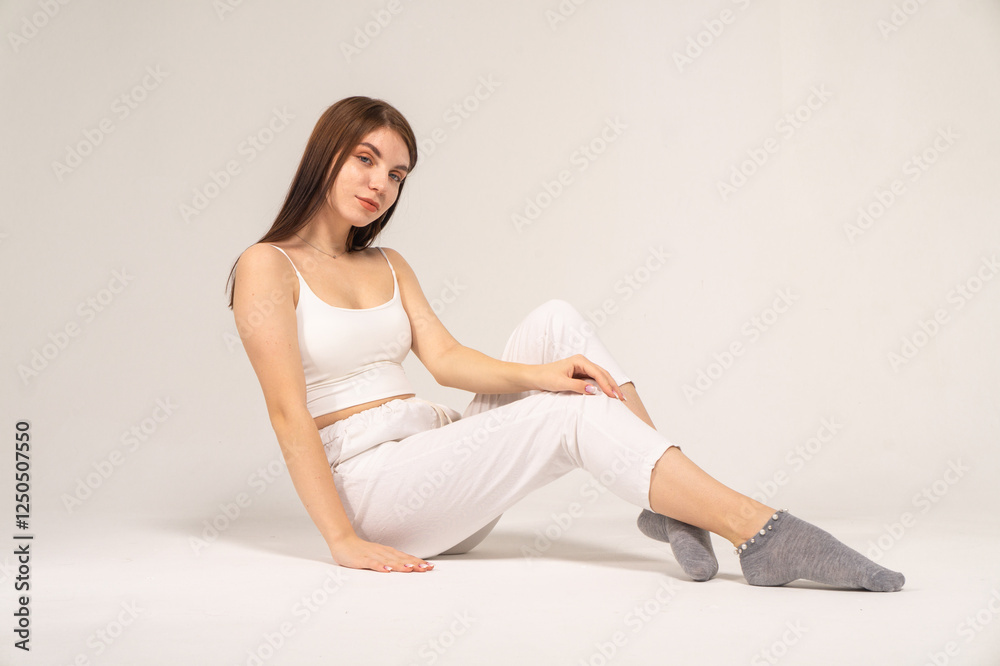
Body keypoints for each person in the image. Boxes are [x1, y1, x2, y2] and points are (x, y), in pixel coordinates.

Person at [225, 96, 905, 591]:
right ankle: (758, 531)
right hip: (376, 493)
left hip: (437, 460)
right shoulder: (267, 266)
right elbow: (287, 413)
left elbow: (447, 361)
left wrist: (543, 373)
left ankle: (668, 506)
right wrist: (343, 540)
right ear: (326, 155)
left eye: (398, 174)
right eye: (366, 159)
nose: (381, 184)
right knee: (568, 414)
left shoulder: (389, 264)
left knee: (556, 321)